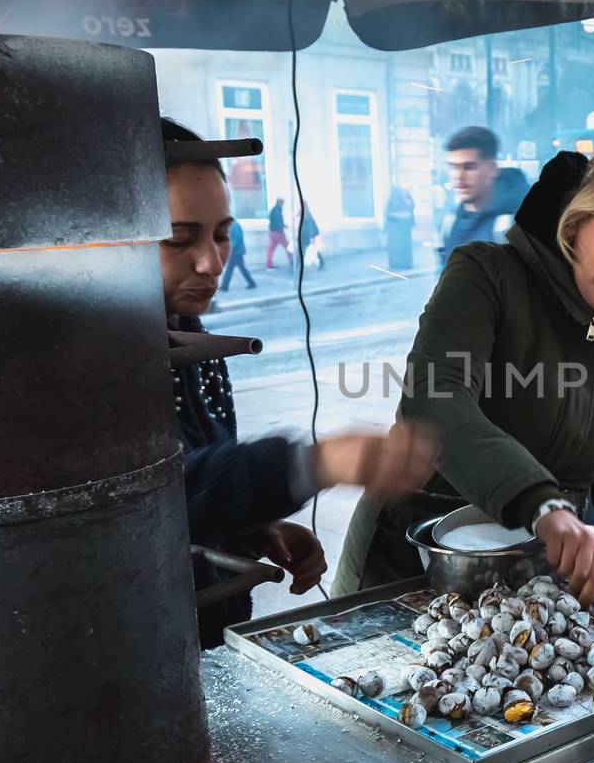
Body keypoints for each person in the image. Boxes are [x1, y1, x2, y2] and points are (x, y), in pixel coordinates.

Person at [332, 148, 594, 602]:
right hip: (413, 557)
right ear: (576, 222)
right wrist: (539, 502)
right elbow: (433, 402)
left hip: (534, 577)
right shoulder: (486, 275)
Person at [160, 120, 437, 648]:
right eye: (179, 240)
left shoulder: (191, 338)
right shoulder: (90, 372)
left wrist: (256, 531)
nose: (211, 262)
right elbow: (166, 492)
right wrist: (310, 464)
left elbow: (200, 487)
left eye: (222, 234)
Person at [437, 126, 526, 267]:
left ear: (492, 169)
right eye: (453, 167)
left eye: (469, 167)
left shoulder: (516, 226)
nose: (459, 176)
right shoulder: (450, 222)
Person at [218, 218, 256, 291]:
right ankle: (225, 286)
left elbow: (236, 239)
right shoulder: (233, 225)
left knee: (235, 268)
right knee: (235, 268)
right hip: (236, 251)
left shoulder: (234, 226)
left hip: (236, 251)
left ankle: (225, 286)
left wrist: (230, 248)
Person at [267, 197, 293, 270]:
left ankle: (269, 264)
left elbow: (273, 220)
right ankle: (292, 261)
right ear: (279, 203)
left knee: (271, 249)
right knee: (287, 246)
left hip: (272, 231)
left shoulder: (274, 210)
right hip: (278, 232)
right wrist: (282, 230)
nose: (283, 204)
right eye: (282, 203)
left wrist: (284, 225)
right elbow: (278, 222)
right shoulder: (277, 211)